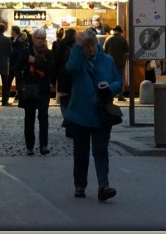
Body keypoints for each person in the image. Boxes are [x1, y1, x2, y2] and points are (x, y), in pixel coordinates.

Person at [63, 28, 121, 201]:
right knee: (80, 152)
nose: (91, 49)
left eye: (92, 44)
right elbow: (70, 68)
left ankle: (104, 186)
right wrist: (76, 46)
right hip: (80, 113)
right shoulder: (78, 61)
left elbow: (118, 81)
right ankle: (80, 185)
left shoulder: (107, 60)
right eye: (86, 46)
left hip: (101, 113)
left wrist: (110, 88)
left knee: (100, 150)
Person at [15, 27, 54, 155]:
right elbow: (18, 68)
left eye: (42, 38)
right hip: (30, 89)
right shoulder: (27, 52)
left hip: (43, 89)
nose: (40, 41)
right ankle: (30, 146)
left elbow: (50, 69)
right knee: (29, 118)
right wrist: (20, 85)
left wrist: (35, 62)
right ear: (33, 38)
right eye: (38, 38)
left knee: (43, 117)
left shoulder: (48, 53)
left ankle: (44, 145)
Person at [52, 28, 77, 113]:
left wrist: (53, 79)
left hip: (63, 75)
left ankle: (66, 117)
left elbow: (56, 62)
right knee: (74, 97)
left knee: (64, 98)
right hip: (74, 76)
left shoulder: (61, 45)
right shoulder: (77, 45)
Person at [101, 26, 129, 101]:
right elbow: (127, 51)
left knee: (110, 78)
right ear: (120, 32)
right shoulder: (123, 39)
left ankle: (110, 95)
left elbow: (104, 50)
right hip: (120, 62)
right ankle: (120, 95)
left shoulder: (108, 39)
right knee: (119, 78)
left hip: (109, 62)